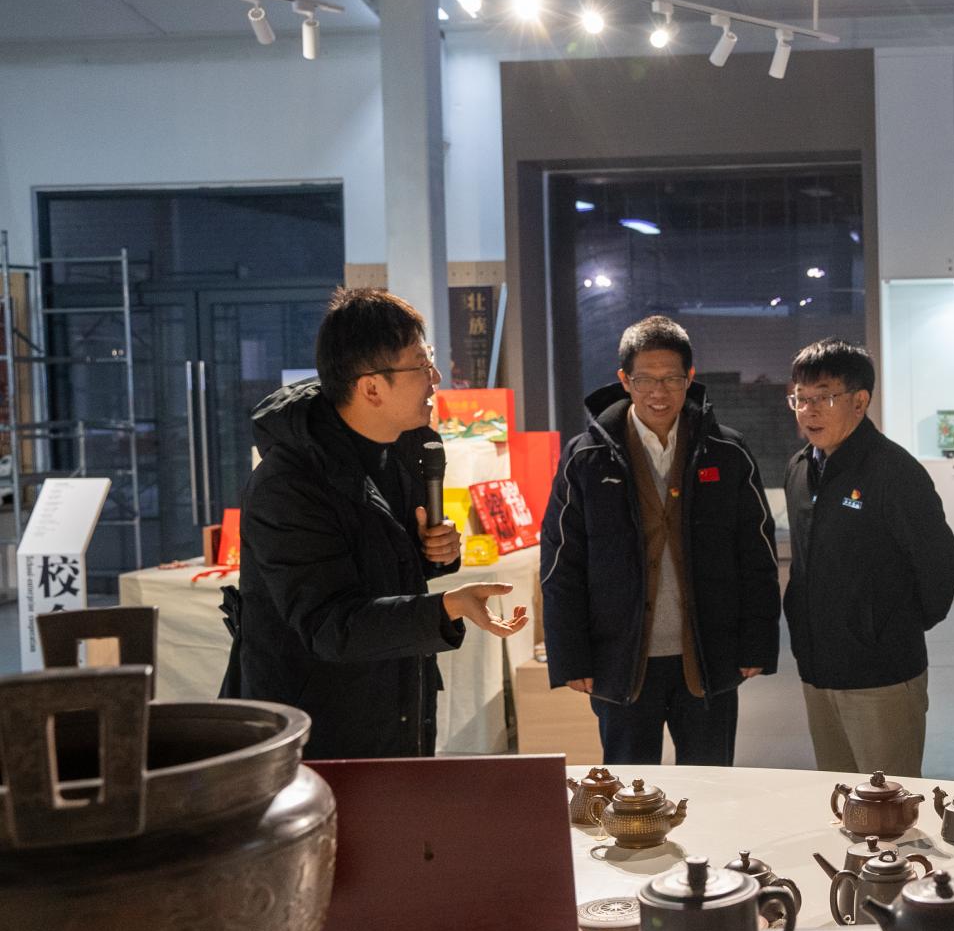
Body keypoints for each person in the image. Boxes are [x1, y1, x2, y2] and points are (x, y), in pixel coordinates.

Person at [232, 288, 528, 759]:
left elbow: (381, 565)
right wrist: (446, 607)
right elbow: (332, 625)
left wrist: (432, 553)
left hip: (398, 702)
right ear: (371, 388)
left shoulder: (405, 449)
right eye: (421, 365)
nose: (435, 378)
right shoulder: (288, 485)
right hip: (319, 731)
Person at [540, 316, 780, 765]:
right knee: (631, 790)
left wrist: (757, 644)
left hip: (709, 654)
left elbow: (757, 554)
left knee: (712, 781)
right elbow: (561, 561)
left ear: (690, 378)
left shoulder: (726, 451)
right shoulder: (585, 457)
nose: (659, 392)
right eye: (645, 379)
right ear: (624, 381)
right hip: (620, 658)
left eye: (671, 378)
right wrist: (571, 657)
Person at [782, 339, 954, 777]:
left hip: (882, 675)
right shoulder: (800, 468)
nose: (809, 411)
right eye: (800, 398)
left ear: (860, 401)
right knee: (839, 797)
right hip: (818, 669)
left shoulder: (893, 472)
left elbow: (941, 565)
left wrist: (887, 626)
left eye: (823, 397)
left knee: (890, 804)